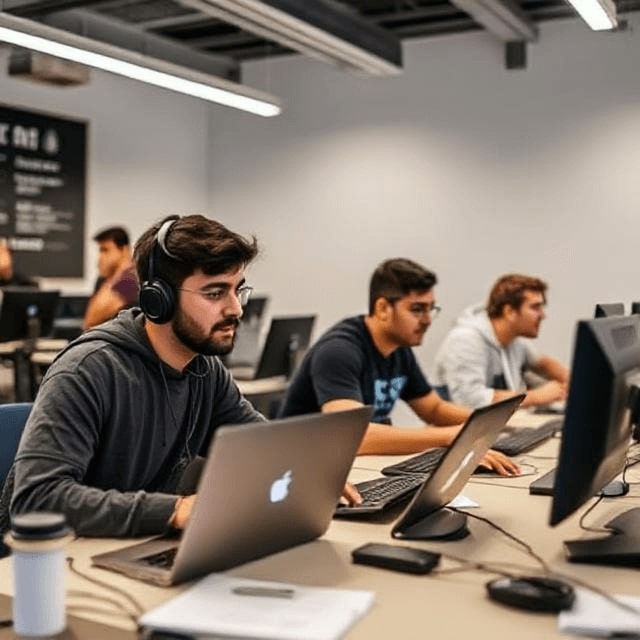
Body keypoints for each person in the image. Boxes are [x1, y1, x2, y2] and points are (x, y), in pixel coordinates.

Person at [4, 214, 266, 539]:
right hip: (53, 563)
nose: (236, 309)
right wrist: (173, 510)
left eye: (237, 291)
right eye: (215, 293)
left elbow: (262, 445)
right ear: (160, 300)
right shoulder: (88, 369)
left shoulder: (203, 369)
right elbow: (36, 499)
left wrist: (308, 469)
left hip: (125, 545)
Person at [278, 258, 520, 475]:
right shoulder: (339, 351)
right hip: (300, 470)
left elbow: (433, 409)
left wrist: (489, 425)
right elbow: (353, 435)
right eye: (417, 309)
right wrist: (449, 436)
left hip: (351, 465)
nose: (426, 320)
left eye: (430, 309)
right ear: (383, 308)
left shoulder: (399, 348)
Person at [433, 273, 569, 410]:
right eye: (535, 307)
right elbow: (469, 400)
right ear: (509, 311)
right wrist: (536, 396)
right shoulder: (465, 340)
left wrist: (574, 383)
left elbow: (543, 363)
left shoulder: (514, 341)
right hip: (457, 429)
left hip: (493, 428)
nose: (543, 315)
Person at [83, 226, 139, 329]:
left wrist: (121, 270)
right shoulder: (104, 279)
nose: (101, 257)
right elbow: (88, 322)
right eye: (100, 251)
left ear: (124, 250)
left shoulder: (130, 279)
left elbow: (92, 320)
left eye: (106, 250)